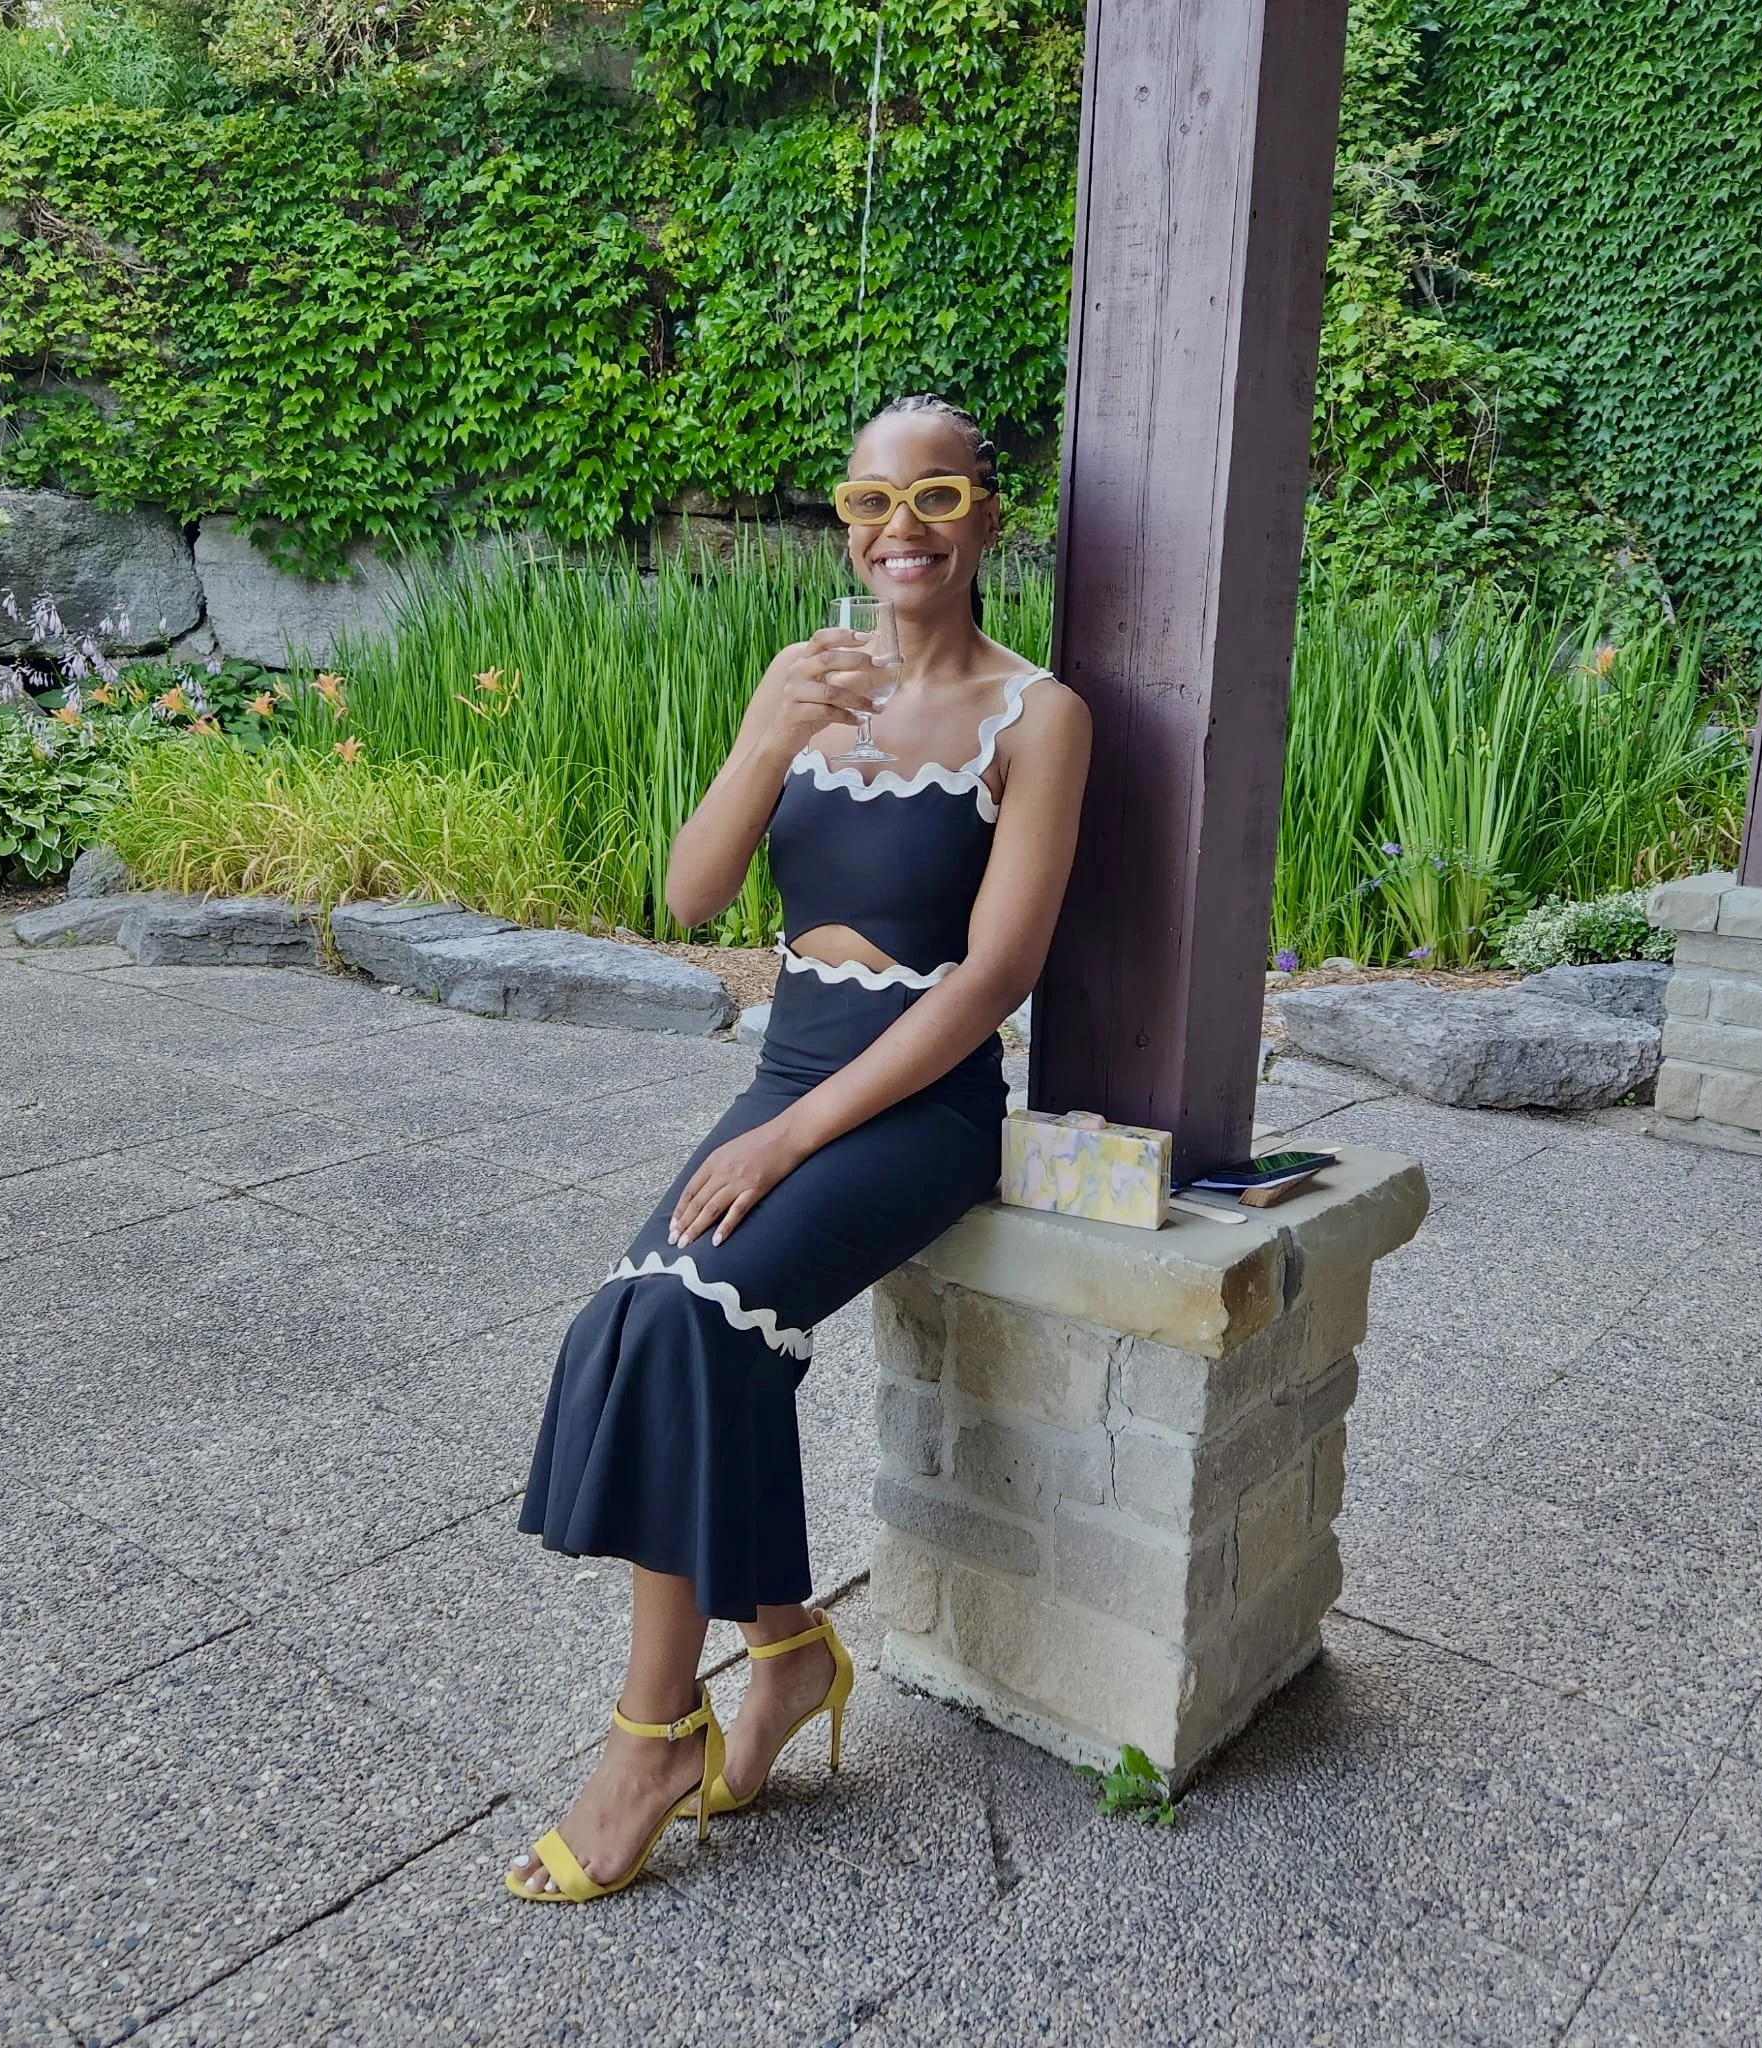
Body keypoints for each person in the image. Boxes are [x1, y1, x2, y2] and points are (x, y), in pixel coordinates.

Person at [508, 395, 1092, 1901]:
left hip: (920, 1106)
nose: (900, 525)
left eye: (938, 495)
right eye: (869, 499)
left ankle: (652, 1734)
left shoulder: (1041, 718)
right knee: (652, 1323)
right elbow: (696, 897)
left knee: (683, 1319)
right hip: (789, 1071)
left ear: (987, 519)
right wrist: (770, 728)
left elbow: (992, 979)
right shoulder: (808, 688)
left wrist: (788, 1143)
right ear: (845, 521)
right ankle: (783, 1651)